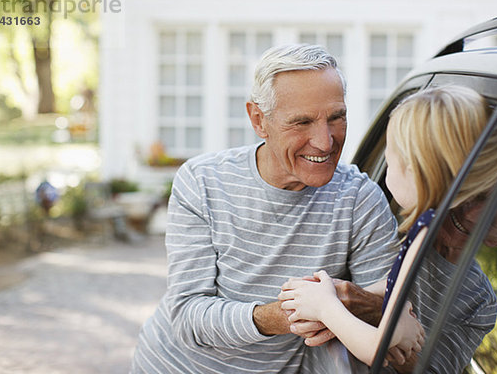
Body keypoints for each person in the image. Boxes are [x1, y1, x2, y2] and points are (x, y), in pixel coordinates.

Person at [130, 44, 402, 373]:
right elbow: (187, 317)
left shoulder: (359, 199)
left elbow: (387, 316)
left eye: (336, 118)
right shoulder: (202, 181)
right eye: (301, 122)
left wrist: (357, 305)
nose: (325, 142)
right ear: (259, 120)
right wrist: (286, 314)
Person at [277, 85, 497, 368]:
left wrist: (325, 306)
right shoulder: (424, 228)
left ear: (416, 167)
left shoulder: (425, 235)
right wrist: (388, 309)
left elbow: (376, 349)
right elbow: (396, 286)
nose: (387, 159)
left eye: (393, 152)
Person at [286, 168, 497, 371]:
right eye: (479, 195)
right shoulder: (388, 222)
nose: (471, 213)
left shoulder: (480, 302)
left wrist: (382, 317)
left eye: (492, 214)